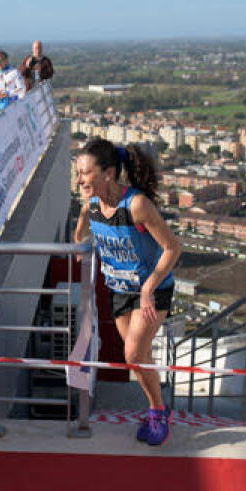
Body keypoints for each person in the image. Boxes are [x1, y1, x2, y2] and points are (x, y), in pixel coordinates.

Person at [74, 138, 182, 446]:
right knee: (139, 358)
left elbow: (173, 247)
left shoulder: (136, 205)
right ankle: (158, 408)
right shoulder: (92, 205)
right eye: (78, 172)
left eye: (85, 172)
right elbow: (81, 229)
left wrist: (149, 286)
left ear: (108, 173)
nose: (79, 180)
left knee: (133, 354)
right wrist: (81, 245)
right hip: (119, 291)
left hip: (153, 289)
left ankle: (158, 412)